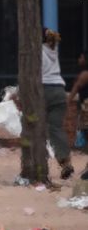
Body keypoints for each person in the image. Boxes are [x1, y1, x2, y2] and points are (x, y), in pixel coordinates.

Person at [39, 28, 73, 179]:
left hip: (43, 90)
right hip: (59, 90)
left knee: (34, 126)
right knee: (56, 129)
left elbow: (33, 72)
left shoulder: (36, 50)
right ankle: (66, 163)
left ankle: (39, 164)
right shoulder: (53, 49)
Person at [68, 52, 88, 178]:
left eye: (81, 57)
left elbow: (75, 88)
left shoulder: (85, 74)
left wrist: (68, 101)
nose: (79, 59)